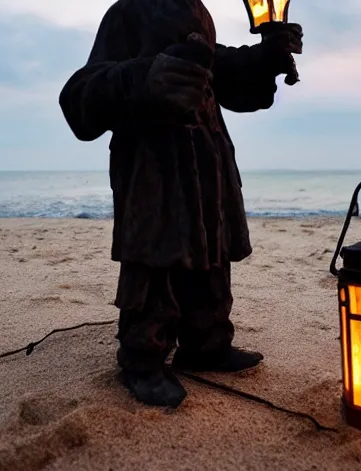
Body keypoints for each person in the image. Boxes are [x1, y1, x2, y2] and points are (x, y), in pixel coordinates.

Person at [58, 0, 303, 408]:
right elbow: (80, 97)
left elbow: (219, 71)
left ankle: (206, 343)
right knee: (157, 259)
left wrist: (265, 57)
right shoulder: (128, 13)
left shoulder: (197, 13)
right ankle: (144, 356)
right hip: (153, 167)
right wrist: (148, 75)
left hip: (208, 163)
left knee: (211, 254)